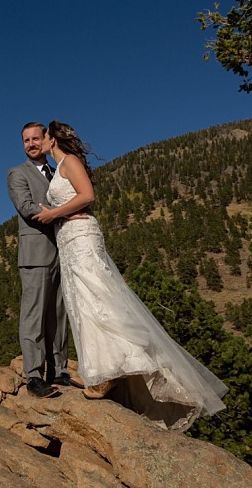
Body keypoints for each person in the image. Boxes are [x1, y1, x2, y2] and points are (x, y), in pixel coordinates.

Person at [32, 120, 228, 430]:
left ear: (52, 138)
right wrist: (57, 213)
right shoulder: (59, 167)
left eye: (40, 136)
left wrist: (54, 213)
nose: (36, 142)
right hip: (68, 240)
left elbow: (87, 196)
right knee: (83, 303)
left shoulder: (69, 161)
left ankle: (111, 371)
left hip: (81, 238)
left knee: (97, 297)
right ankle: (104, 371)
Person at [7, 122, 73, 398]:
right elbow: (26, 207)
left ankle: (58, 369)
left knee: (58, 314)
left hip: (63, 250)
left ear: (46, 140)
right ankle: (33, 375)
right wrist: (65, 211)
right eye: (26, 140)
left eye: (36, 138)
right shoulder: (17, 174)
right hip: (35, 254)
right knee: (33, 315)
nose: (31, 144)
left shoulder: (59, 172)